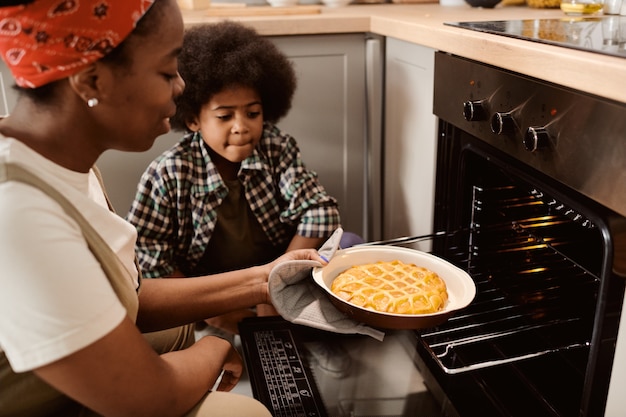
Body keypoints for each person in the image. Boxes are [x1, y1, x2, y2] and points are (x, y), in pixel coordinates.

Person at [0, 1, 325, 416]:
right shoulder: (19, 212)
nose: (181, 88)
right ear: (91, 80)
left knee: (177, 332)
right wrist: (216, 344)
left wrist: (266, 280)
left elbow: (130, 298)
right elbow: (150, 398)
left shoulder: (62, 163)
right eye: (168, 71)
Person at [125, 21, 342, 335]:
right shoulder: (167, 173)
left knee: (349, 246)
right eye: (225, 116)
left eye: (252, 113)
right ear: (192, 120)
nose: (241, 127)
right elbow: (150, 261)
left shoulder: (276, 148)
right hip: (208, 297)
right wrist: (220, 313)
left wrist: (277, 280)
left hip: (279, 279)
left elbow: (320, 212)